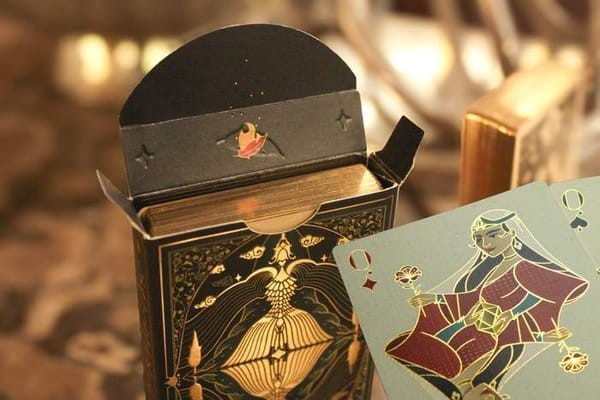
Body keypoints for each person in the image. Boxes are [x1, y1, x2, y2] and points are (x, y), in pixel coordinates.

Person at [385, 209, 589, 399]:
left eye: (492, 235)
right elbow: (474, 298)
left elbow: (541, 296)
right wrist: (436, 299)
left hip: (488, 339)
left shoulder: (523, 268)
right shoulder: (496, 268)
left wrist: (524, 322)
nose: (485, 243)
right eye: (479, 239)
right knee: (420, 355)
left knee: (459, 376)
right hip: (470, 330)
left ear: (512, 233)